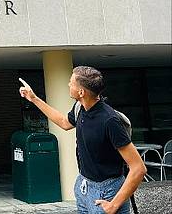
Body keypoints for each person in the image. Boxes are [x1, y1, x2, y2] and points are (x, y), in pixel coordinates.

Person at [19, 66, 146, 214]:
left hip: (107, 192)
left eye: (71, 82)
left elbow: (138, 168)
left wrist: (113, 205)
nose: (68, 85)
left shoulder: (109, 120)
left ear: (81, 92)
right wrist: (34, 99)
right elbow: (63, 122)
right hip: (84, 185)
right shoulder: (80, 108)